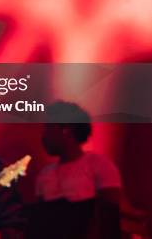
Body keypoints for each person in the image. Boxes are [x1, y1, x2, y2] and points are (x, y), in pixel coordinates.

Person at [29, 101, 123, 239]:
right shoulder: (45, 174)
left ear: (66, 129)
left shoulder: (99, 165)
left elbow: (110, 217)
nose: (44, 135)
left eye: (48, 127)